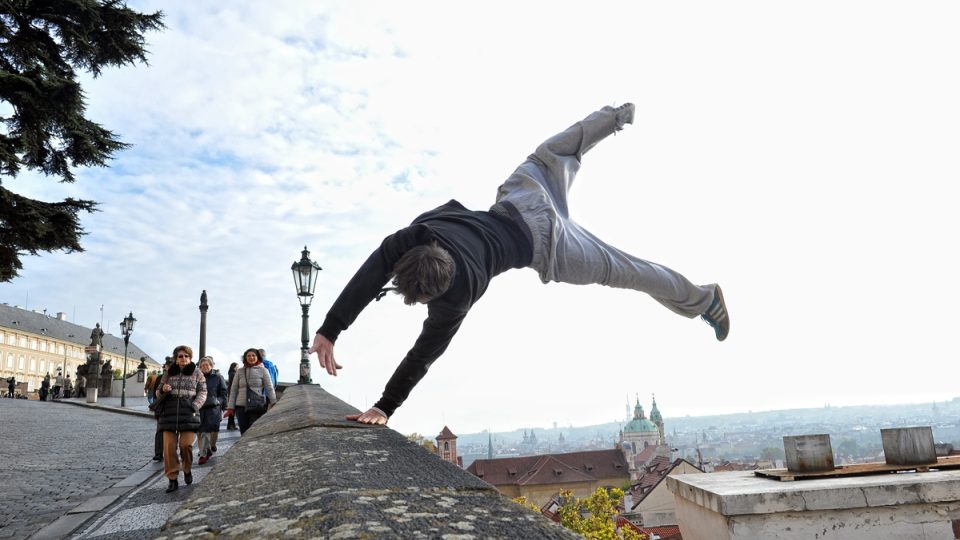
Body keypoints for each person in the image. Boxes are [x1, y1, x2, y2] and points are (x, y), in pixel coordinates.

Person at [308, 103, 730, 426]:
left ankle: (704, 298)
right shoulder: (416, 235)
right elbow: (373, 271)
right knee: (548, 154)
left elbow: (423, 354)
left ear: (437, 290)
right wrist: (331, 329)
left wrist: (385, 406)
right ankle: (615, 116)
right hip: (521, 199)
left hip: (553, 249)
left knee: (629, 270)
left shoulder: (457, 295)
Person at [156, 346, 206, 493]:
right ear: (176, 359)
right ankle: (172, 479)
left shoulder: (197, 373)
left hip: (188, 412)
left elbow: (203, 391)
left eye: (186, 356)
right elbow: (158, 392)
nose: (183, 358)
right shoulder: (168, 373)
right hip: (169, 413)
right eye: (180, 356)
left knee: (186, 445)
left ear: (190, 358)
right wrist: (162, 389)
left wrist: (195, 405)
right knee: (169, 447)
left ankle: (187, 468)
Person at [224, 349, 277, 434]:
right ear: (245, 358)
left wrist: (274, 402)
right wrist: (230, 407)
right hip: (241, 407)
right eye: (248, 356)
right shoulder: (239, 371)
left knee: (254, 431)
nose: (251, 357)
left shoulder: (263, 370)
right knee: (244, 432)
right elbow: (233, 390)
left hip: (257, 405)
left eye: (253, 355)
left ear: (258, 357)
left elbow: (269, 388)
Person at [196, 356, 227, 465]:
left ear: (211, 366)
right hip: (200, 408)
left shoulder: (218, 377)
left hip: (213, 408)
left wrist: (219, 402)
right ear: (199, 367)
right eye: (202, 365)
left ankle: (205, 452)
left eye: (207, 365)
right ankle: (204, 452)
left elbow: (223, 393)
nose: (205, 367)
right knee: (201, 431)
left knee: (209, 430)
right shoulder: (197, 377)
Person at [150, 359, 172, 461]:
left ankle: (170, 453)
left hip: (172, 407)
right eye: (167, 366)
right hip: (162, 407)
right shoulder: (160, 378)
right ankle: (158, 453)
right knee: (160, 430)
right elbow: (156, 393)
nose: (168, 368)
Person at [225, 362, 239, 431]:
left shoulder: (231, 373)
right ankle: (231, 425)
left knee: (232, 410)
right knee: (232, 410)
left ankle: (231, 425)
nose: (238, 368)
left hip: (230, 393)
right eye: (237, 366)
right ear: (234, 367)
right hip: (232, 393)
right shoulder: (233, 374)